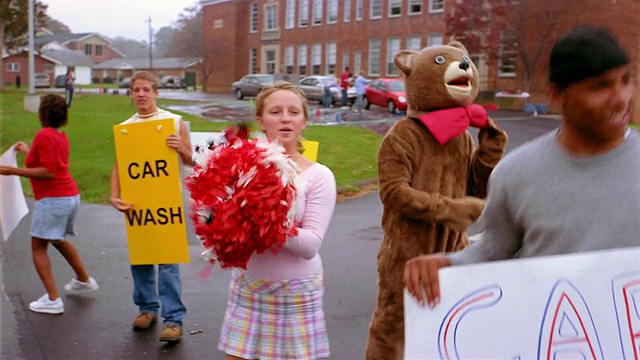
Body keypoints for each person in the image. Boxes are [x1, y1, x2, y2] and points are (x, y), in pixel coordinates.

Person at [404, 26, 640, 308]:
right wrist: (446, 264)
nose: (621, 98)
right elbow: (494, 250)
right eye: (600, 86)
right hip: (555, 338)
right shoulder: (515, 173)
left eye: (626, 81)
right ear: (557, 95)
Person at [218, 81, 337, 360]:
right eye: (275, 111)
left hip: (296, 294)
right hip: (249, 287)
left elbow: (309, 246)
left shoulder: (319, 176)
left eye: (293, 112)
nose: (285, 118)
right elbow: (219, 229)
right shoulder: (240, 168)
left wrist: (264, 219)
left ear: (304, 121)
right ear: (260, 120)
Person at [109, 71, 192, 342]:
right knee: (142, 257)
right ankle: (147, 309)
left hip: (166, 201)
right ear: (131, 94)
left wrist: (180, 148)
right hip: (138, 203)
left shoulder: (173, 121)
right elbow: (120, 164)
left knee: (168, 261)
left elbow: (192, 161)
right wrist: (113, 194)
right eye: (136, 90)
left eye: (146, 89)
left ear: (156, 92)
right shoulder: (126, 127)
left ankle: (173, 319)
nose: (141, 94)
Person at [0, 94, 99, 315]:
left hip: (54, 199)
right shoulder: (59, 136)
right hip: (70, 195)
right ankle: (84, 279)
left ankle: (53, 300)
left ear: (41, 113)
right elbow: (50, 161)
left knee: (38, 247)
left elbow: (48, 172)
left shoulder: (44, 135)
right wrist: (25, 150)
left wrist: (11, 171)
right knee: (56, 238)